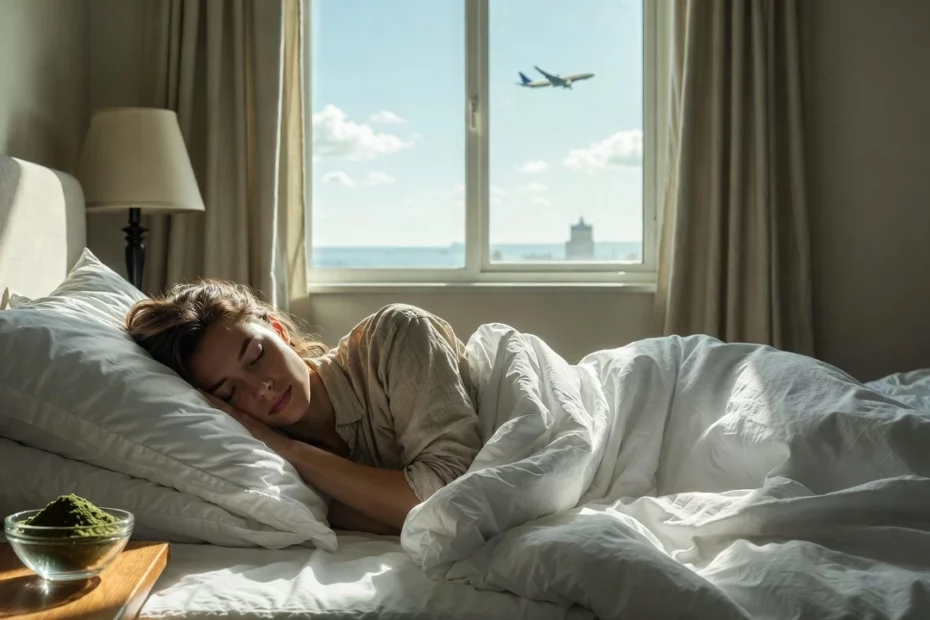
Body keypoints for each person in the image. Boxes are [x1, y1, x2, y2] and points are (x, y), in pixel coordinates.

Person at [125, 279, 482, 536]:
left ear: (278, 330)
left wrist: (290, 449)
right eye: (231, 392)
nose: (261, 388)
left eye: (256, 356)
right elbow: (424, 514)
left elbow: (451, 499)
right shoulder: (261, 468)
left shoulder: (392, 336)